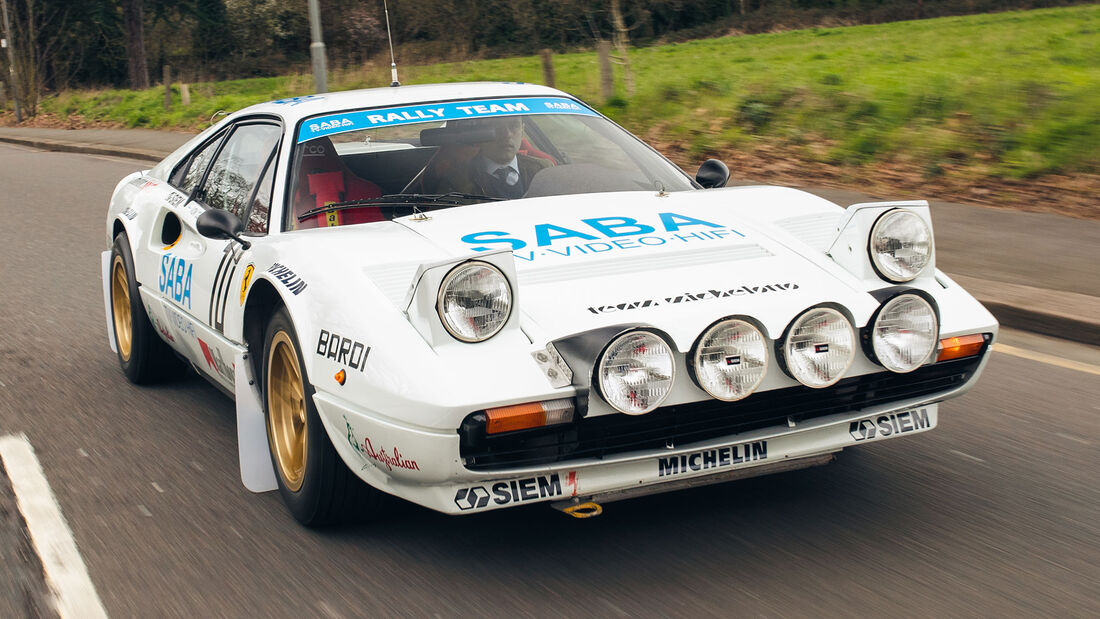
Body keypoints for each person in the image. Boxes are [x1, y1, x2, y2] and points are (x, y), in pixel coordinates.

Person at [426, 116, 551, 199]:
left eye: (514, 126)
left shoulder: (544, 170)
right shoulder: (455, 181)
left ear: (522, 130)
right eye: (495, 127)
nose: (507, 134)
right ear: (479, 135)